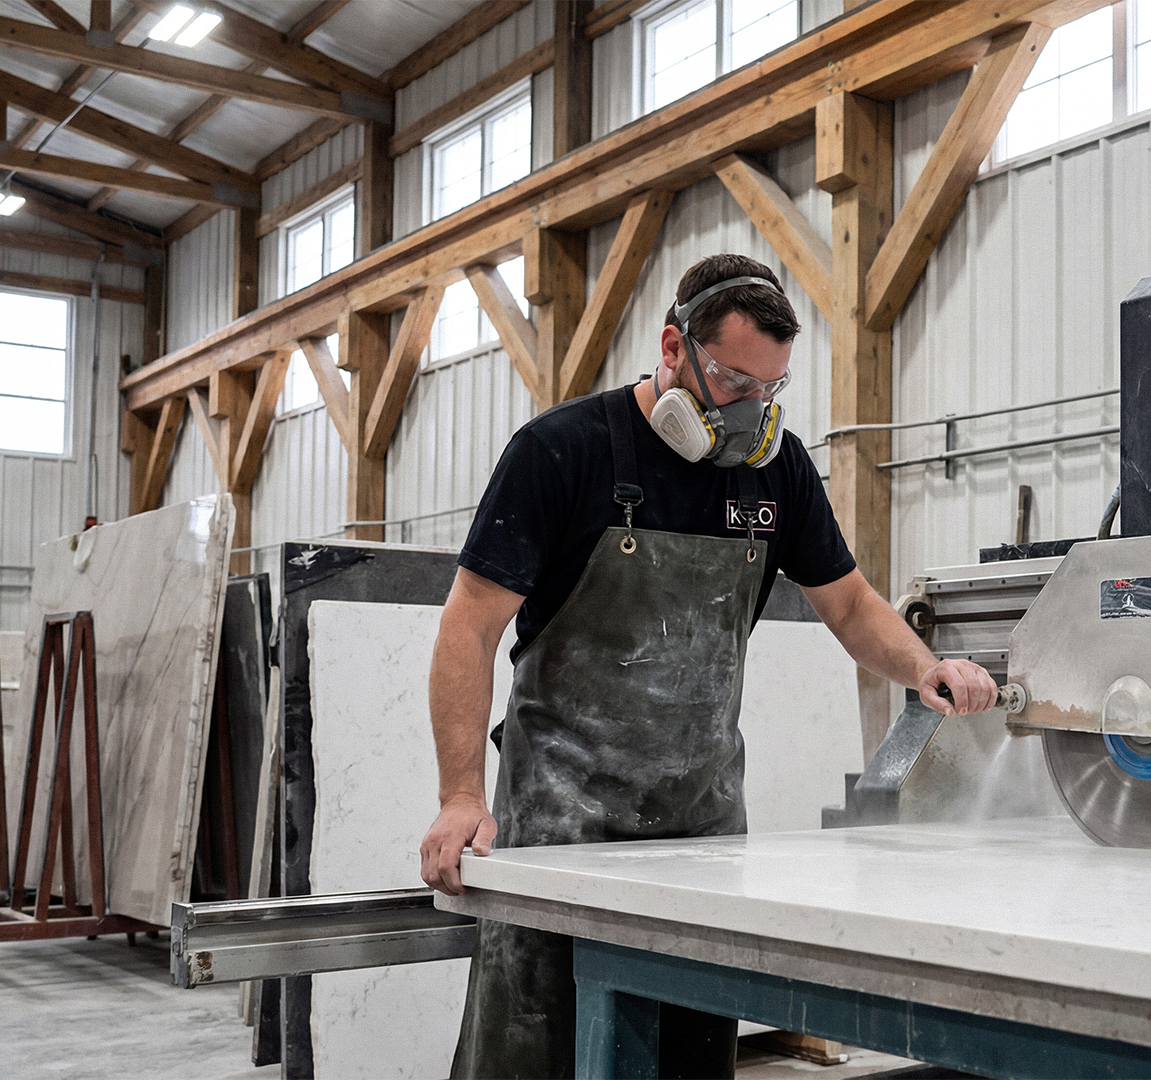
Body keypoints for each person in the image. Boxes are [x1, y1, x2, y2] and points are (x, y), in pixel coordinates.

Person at [419, 254, 998, 1079]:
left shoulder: (778, 470)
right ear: (673, 347)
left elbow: (849, 603)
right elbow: (469, 625)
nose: (748, 409)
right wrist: (460, 797)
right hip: (560, 826)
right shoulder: (563, 451)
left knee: (688, 1054)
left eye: (770, 388)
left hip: (702, 828)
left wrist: (923, 667)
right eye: (732, 381)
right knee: (536, 1046)